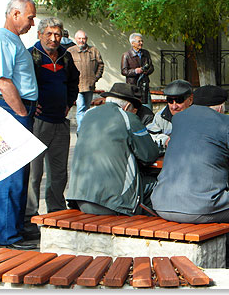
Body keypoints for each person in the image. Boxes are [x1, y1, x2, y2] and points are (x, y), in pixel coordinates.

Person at [151, 85, 229, 266]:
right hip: (200, 206)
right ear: (221, 108)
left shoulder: (179, 119)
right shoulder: (226, 123)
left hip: (161, 202)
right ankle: (228, 247)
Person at [0, 0, 38, 250]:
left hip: (20, 108)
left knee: (21, 173)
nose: (33, 23)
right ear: (15, 14)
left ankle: (16, 227)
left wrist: (29, 105)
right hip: (12, 110)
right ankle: (8, 237)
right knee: (10, 174)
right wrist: (21, 112)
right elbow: (3, 81)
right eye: (30, 17)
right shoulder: (1, 39)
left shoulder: (12, 39)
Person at [66, 82, 159, 215]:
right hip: (113, 205)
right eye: (135, 110)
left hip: (79, 199)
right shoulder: (128, 118)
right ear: (128, 106)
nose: (135, 113)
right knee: (157, 185)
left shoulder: (88, 114)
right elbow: (149, 155)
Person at [24, 17, 79, 239]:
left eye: (57, 34)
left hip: (60, 122)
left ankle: (56, 213)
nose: (54, 38)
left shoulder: (66, 56)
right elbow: (23, 83)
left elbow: (74, 81)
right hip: (39, 123)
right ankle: (29, 218)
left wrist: (69, 103)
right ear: (40, 34)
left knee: (58, 173)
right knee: (34, 174)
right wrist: (30, 105)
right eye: (49, 34)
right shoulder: (31, 55)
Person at [67, 30, 104, 132]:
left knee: (86, 108)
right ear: (76, 39)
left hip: (89, 85)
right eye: (79, 38)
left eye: (83, 38)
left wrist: (95, 77)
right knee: (81, 108)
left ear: (86, 39)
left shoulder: (93, 50)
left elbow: (100, 64)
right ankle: (82, 131)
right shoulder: (70, 51)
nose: (81, 41)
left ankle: (85, 129)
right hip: (77, 86)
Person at [146, 79, 193, 147]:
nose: (174, 107)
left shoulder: (200, 116)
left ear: (190, 100)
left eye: (179, 100)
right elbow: (149, 136)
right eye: (170, 101)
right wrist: (166, 140)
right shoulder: (161, 116)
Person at [121, 33, 154, 109]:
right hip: (132, 87)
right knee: (133, 109)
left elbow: (151, 67)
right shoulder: (126, 55)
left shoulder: (146, 53)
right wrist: (135, 71)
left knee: (148, 109)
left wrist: (146, 71)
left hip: (144, 86)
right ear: (132, 43)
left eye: (142, 41)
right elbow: (124, 71)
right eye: (139, 41)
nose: (141, 43)